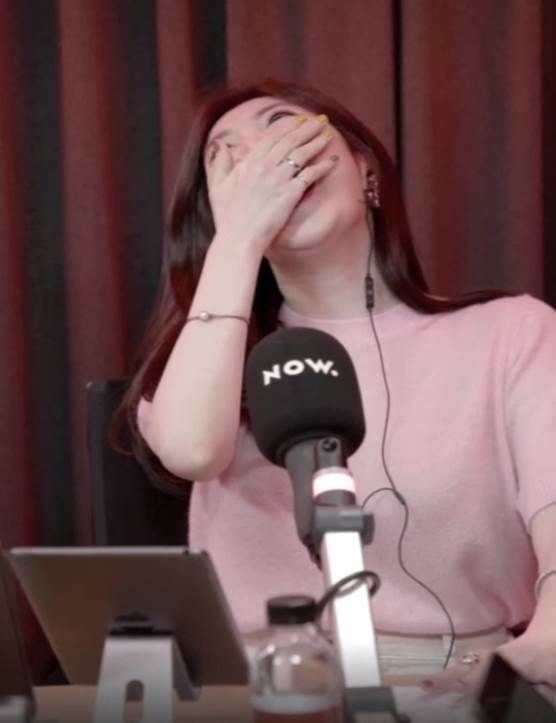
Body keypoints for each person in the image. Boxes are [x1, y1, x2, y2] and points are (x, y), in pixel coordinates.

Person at [116, 79, 556, 692]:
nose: (262, 159)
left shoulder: (513, 332)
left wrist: (531, 657)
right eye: (225, 156)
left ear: (363, 166)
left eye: (280, 126)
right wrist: (240, 238)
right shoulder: (205, 359)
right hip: (260, 687)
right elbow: (192, 450)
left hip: (451, 686)